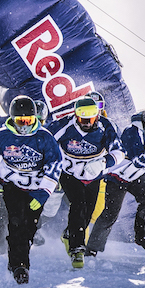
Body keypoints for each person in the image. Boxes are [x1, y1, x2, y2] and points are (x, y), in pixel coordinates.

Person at [0, 96, 63, 284]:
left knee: (29, 228)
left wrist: (44, 192)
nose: (24, 126)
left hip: (37, 188)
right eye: (20, 121)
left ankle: (15, 260)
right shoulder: (0, 136)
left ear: (35, 119)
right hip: (13, 186)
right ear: (12, 119)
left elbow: (55, 165)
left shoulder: (44, 137)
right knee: (16, 226)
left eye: (29, 121)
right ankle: (20, 266)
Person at [45, 95, 125, 269]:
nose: (88, 122)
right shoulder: (63, 125)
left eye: (91, 117)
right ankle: (77, 248)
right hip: (69, 172)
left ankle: (69, 234)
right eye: (83, 118)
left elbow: (119, 152)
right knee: (78, 204)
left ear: (97, 114)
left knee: (87, 214)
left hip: (93, 174)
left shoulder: (106, 126)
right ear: (75, 115)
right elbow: (44, 140)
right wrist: (53, 164)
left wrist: (104, 163)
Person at [86, 107, 145, 257]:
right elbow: (138, 159)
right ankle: (92, 248)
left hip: (135, 175)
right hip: (118, 177)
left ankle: (143, 234)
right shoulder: (131, 132)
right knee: (110, 214)